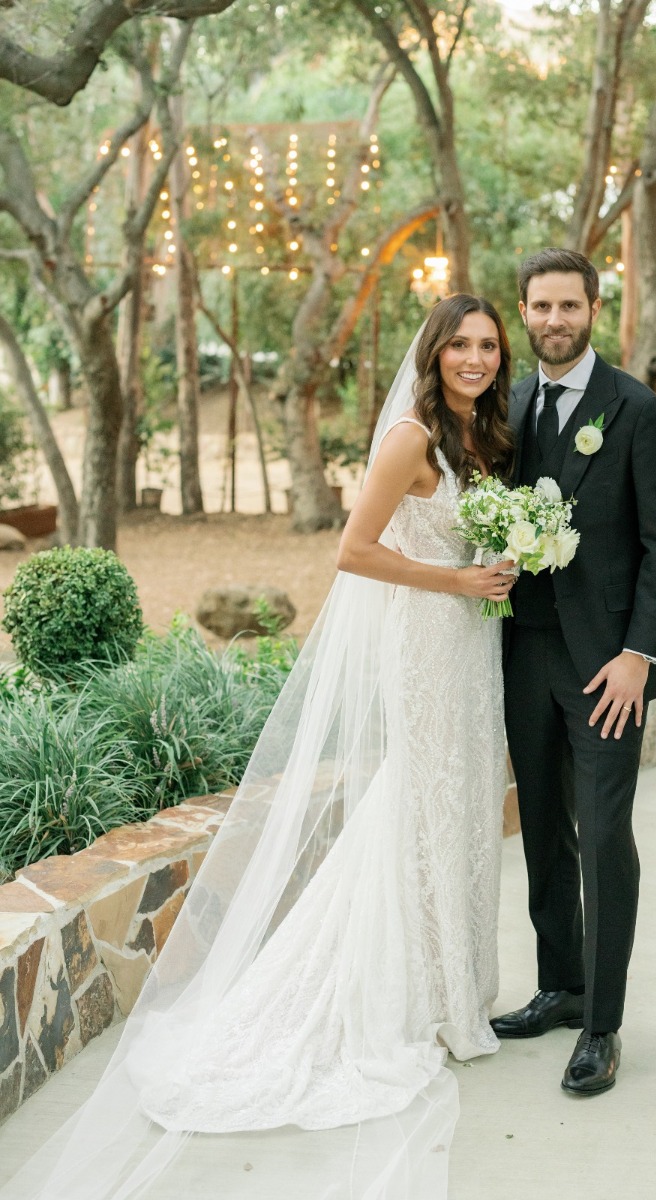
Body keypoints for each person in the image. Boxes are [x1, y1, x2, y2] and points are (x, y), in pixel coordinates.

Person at [0, 294, 517, 1200]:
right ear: (433, 353)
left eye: (487, 346)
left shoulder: (481, 435)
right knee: (421, 806)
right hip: (428, 645)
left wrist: (504, 565)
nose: (475, 358)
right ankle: (409, 997)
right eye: (461, 345)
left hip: (472, 644)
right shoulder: (411, 438)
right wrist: (456, 577)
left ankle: (451, 991)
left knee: (461, 806)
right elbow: (352, 552)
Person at [492, 248, 656, 1096]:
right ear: (525, 313)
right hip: (522, 652)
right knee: (542, 829)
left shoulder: (635, 411)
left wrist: (639, 657)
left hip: (608, 669)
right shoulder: (509, 403)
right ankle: (561, 986)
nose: (553, 320)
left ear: (595, 308)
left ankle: (602, 1026)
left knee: (604, 839)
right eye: (540, 307)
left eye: (568, 305)